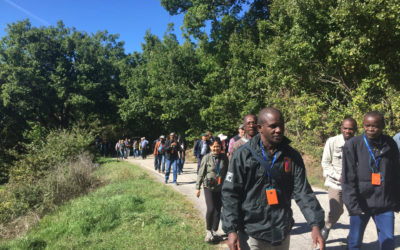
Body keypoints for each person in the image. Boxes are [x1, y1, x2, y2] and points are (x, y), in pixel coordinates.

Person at [222, 107, 325, 250]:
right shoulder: (242, 155)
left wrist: (315, 224)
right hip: (251, 233)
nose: (278, 130)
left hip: (281, 232)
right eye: (273, 126)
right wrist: (231, 230)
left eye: (281, 125)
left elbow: (303, 192)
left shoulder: (292, 156)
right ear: (260, 128)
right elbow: (230, 194)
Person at [342, 111, 400, 250]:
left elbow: (396, 174)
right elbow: (348, 179)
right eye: (367, 125)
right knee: (354, 243)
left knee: (388, 243)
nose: (370, 129)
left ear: (383, 126)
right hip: (361, 204)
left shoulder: (390, 143)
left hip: (384, 204)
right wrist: (353, 207)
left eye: (375, 126)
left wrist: (397, 201)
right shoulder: (353, 145)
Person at [320, 117, 357, 241]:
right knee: (336, 211)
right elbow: (325, 163)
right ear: (341, 128)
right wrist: (338, 177)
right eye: (345, 128)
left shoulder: (359, 143)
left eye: (351, 129)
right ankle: (326, 227)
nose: (347, 131)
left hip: (353, 185)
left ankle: (351, 239)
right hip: (336, 183)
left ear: (355, 130)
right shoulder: (332, 142)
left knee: (356, 212)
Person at [196, 137, 229, 243]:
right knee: (211, 208)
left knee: (218, 210)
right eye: (214, 146)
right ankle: (208, 231)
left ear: (221, 147)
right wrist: (198, 188)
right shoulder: (206, 158)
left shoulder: (224, 157)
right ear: (210, 147)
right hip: (208, 187)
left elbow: (228, 172)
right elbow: (201, 173)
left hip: (220, 188)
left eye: (218, 146)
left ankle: (214, 231)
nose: (216, 148)